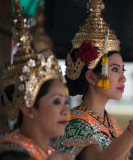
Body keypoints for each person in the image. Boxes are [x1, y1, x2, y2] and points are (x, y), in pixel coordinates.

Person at [57, 0, 133, 159]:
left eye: (122, 70)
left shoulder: (110, 123)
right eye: (114, 69)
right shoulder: (75, 123)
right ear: (91, 76)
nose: (123, 78)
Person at [0, 1, 71, 160]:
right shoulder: (11, 152)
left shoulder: (51, 153)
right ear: (27, 108)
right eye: (56, 102)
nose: (66, 111)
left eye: (65, 102)